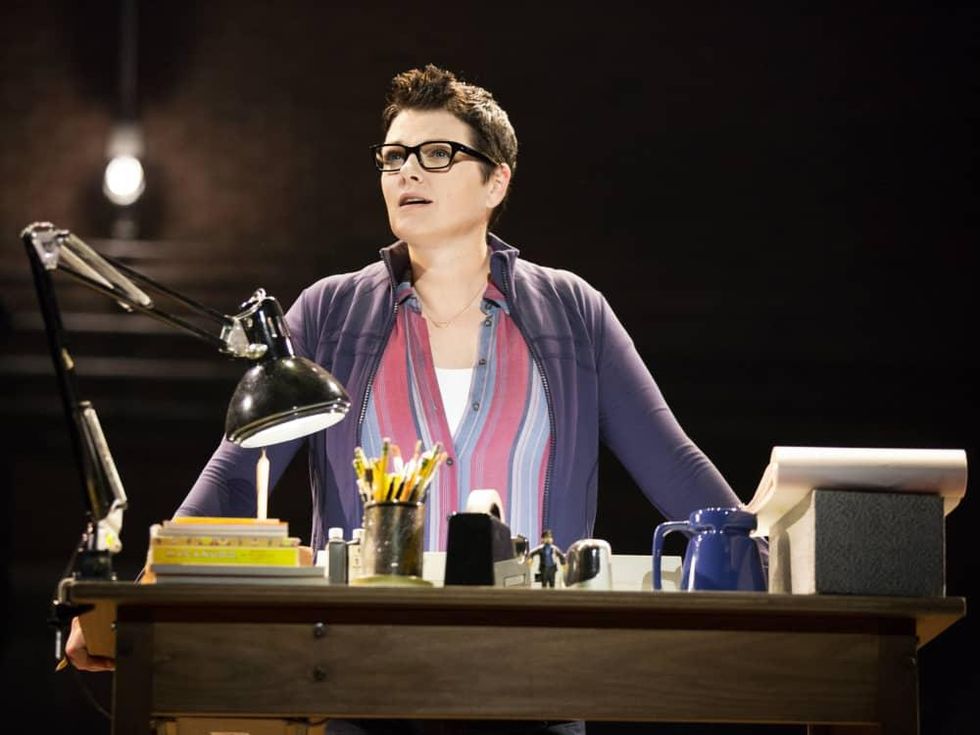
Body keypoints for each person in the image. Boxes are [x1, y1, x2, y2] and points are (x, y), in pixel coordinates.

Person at [66, 64, 744, 733]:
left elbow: (674, 464)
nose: (407, 172)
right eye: (393, 157)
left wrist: (766, 562)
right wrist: (139, 601)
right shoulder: (329, 312)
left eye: (436, 154)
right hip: (363, 678)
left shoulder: (574, 311)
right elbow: (236, 475)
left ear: (497, 181)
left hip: (537, 675)